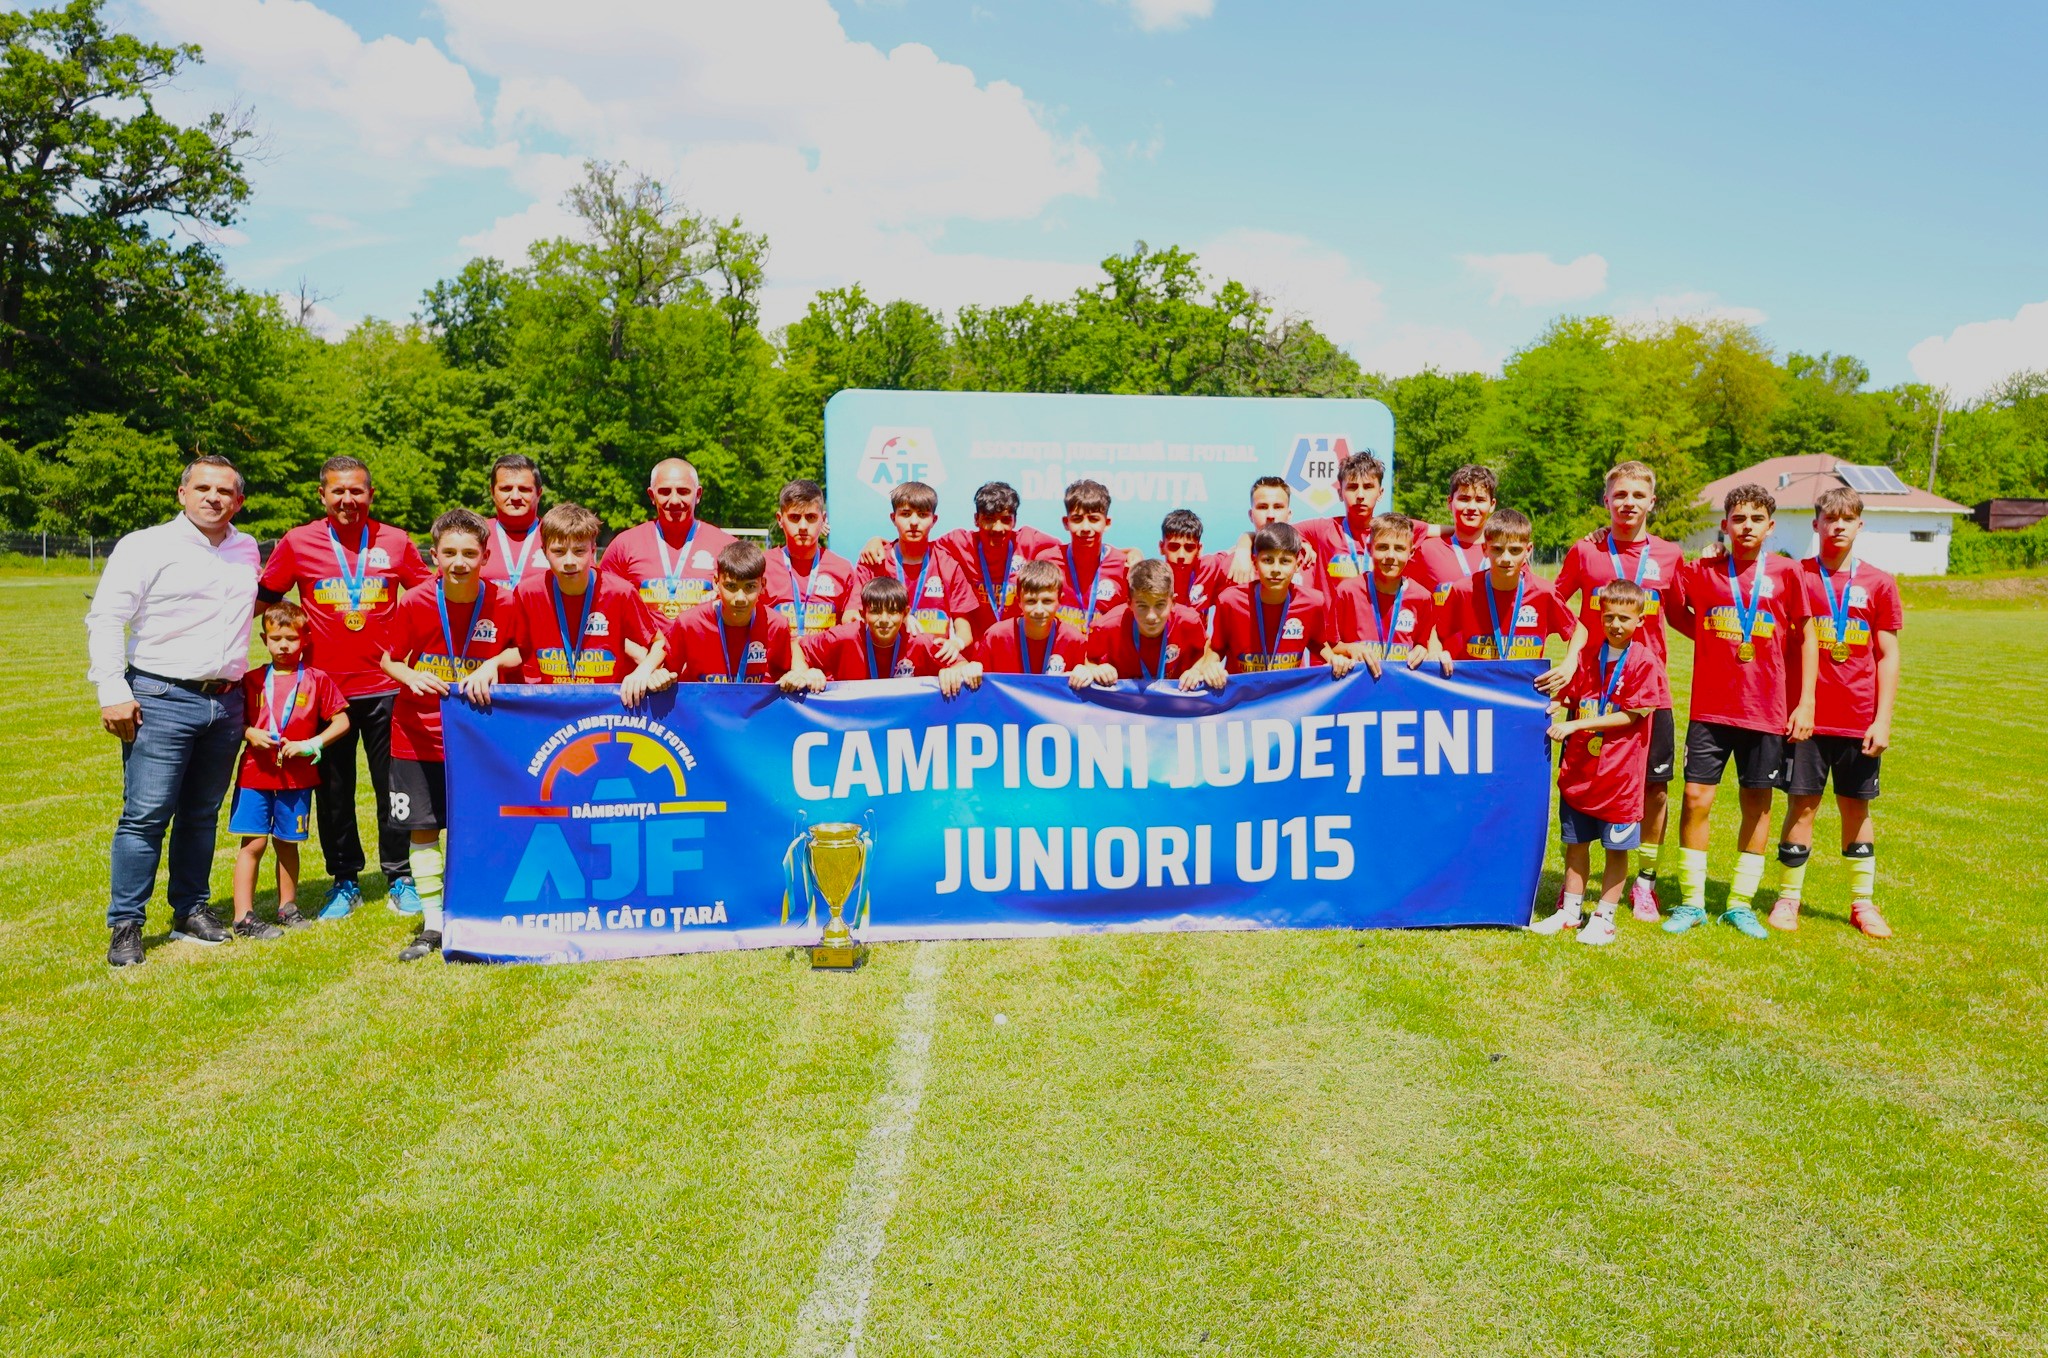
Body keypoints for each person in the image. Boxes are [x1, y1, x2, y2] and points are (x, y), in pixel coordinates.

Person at [86, 455, 262, 967]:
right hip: (160, 697)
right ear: (182, 494)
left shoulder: (247, 548)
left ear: (238, 501)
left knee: (201, 814)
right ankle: (127, 924)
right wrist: (112, 690)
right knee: (145, 815)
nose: (213, 497)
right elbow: (106, 617)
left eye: (224, 491)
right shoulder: (146, 545)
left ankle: (190, 909)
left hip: (225, 702)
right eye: (202, 487)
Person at [256, 455, 434, 919]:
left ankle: (400, 876)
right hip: (324, 691)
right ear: (322, 495)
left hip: (387, 686)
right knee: (333, 791)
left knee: (393, 787)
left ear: (371, 495)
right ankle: (345, 880)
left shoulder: (396, 541)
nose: (348, 499)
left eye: (357, 491)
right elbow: (264, 598)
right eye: (338, 491)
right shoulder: (298, 542)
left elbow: (427, 596)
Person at [1667, 484, 1816, 939]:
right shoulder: (1703, 569)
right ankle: (1692, 902)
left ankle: (1739, 904)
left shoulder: (1788, 573)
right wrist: (1709, 636)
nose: (1746, 526)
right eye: (1738, 518)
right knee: (1696, 799)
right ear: (1725, 524)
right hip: (1710, 708)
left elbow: (1807, 635)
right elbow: (1674, 609)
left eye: (1755, 519)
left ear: (1770, 526)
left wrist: (1806, 701)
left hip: (1765, 710)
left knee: (1757, 804)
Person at [1549, 461, 1690, 920]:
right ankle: (1573, 887)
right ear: (1606, 500)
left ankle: (1644, 883)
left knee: (1654, 790)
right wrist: (1575, 649)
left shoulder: (1669, 554)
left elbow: (1682, 613)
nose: (1629, 502)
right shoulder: (1585, 550)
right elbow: (1554, 599)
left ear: (1652, 501)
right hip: (1594, 688)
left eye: (1638, 495)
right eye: (1621, 494)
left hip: (1648, 692)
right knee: (1585, 781)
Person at [378, 509, 514, 961]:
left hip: (478, 737)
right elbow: (389, 659)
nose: (459, 562)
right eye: (450, 552)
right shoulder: (416, 601)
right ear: (433, 555)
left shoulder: (505, 601)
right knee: (423, 829)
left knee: (483, 825)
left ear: (486, 556)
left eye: (469, 553)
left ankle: (481, 913)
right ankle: (433, 923)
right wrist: (410, 675)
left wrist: (494, 663)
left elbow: (521, 650)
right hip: (417, 734)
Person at [1767, 486, 1903, 938]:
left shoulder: (1879, 583)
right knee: (1802, 805)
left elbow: (1888, 654)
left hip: (1858, 718)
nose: (1838, 526)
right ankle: (1788, 899)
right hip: (1804, 717)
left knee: (1856, 807)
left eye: (1847, 519)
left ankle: (1862, 904)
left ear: (1860, 525)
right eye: (1830, 518)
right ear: (1816, 524)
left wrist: (1882, 719)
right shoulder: (1797, 575)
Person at [1529, 581, 1671, 946]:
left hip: (1619, 777)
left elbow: (1632, 715)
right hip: (1580, 771)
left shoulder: (1645, 662)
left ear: (1640, 620)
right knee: (1576, 844)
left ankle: (1605, 917)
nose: (1616, 625)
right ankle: (1570, 911)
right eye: (1609, 617)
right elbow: (1571, 697)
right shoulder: (1589, 655)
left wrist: (1576, 724)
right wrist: (1552, 705)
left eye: (1624, 618)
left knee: (1616, 849)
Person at [229, 603, 349, 941]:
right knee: (253, 843)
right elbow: (234, 720)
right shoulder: (251, 680)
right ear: (264, 639)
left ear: (305, 639)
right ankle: (243, 916)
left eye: (291, 638)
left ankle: (288, 906)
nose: (284, 645)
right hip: (255, 775)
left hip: (297, 779)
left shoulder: (316, 679)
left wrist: (312, 744)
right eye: (276, 638)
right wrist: (249, 732)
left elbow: (342, 720)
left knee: (287, 843)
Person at [488, 503, 666, 701]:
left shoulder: (620, 592)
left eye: (579, 551)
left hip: (605, 704)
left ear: (593, 550)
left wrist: (644, 670)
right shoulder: (528, 592)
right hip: (550, 704)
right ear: (544, 551)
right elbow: (520, 650)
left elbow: (659, 643)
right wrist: (493, 663)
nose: (569, 561)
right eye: (559, 551)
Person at [857, 480, 1060, 639]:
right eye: (989, 519)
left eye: (1006, 520)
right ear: (976, 519)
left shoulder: (1031, 541)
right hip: (975, 654)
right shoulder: (958, 542)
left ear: (1015, 521)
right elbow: (916, 542)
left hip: (1014, 647)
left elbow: (1067, 550)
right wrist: (877, 541)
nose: (998, 528)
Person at [1434, 508, 1575, 692]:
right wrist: (1436, 653)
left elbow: (1578, 630)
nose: (1506, 558)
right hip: (1474, 694)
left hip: (1525, 696)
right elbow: (1437, 632)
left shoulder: (1544, 592)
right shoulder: (1464, 590)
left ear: (1528, 551)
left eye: (1515, 550)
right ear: (1485, 549)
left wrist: (1569, 664)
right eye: (1497, 549)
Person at [661, 540, 825, 690]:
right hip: (703, 713)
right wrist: (658, 675)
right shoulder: (689, 623)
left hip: (757, 714)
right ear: (716, 583)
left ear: (763, 585)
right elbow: (667, 673)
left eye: (750, 587)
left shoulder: (776, 625)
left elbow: (790, 672)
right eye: (731, 586)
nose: (740, 598)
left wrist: (805, 674)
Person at [599, 457, 737, 625]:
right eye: (664, 492)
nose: (674, 500)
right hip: (644, 643)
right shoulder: (624, 545)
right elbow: (603, 607)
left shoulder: (727, 547)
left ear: (698, 494)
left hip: (704, 642)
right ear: (652, 495)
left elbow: (748, 603)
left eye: (683, 491)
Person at [1206, 523, 1351, 677]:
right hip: (1244, 692)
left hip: (1288, 691)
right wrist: (1209, 667)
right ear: (1255, 563)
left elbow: (1317, 642)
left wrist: (1332, 658)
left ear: (1297, 565)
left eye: (1285, 561)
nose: (1276, 569)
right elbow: (1216, 648)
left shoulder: (1312, 602)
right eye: (1268, 560)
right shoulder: (1230, 601)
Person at [848, 481, 975, 655]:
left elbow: (965, 630)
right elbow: (850, 617)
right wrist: (898, 619)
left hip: (933, 661)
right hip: (884, 661)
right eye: (906, 514)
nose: (914, 522)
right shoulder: (875, 560)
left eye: (922, 515)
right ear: (893, 518)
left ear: (934, 520)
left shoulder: (948, 565)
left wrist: (956, 643)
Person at [801, 578, 979, 696]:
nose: (884, 620)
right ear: (863, 615)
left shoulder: (919, 642)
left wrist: (956, 672)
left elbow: (962, 666)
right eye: (875, 612)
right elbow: (799, 647)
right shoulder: (846, 636)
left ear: (905, 614)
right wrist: (804, 673)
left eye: (893, 612)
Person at [1330, 513, 1444, 679]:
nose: (1390, 556)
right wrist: (1349, 649)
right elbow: (1329, 646)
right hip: (1357, 689)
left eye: (1399, 548)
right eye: (1382, 547)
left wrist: (1422, 650)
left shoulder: (1422, 597)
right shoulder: (1347, 591)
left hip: (1401, 688)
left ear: (1411, 552)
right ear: (1369, 549)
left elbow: (1424, 644)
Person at [1074, 558, 1217, 690]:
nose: (1151, 616)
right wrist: (1096, 669)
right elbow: (1089, 658)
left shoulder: (1189, 621)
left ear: (1173, 602)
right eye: (1142, 606)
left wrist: (1197, 670)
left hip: (1174, 705)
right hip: (1125, 706)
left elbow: (1205, 648)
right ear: (1129, 603)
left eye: (1160, 605)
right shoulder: (1106, 626)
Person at [960, 558, 1091, 683]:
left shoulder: (1073, 640)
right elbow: (977, 676)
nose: (1039, 610)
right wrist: (973, 669)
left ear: (1060, 601)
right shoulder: (996, 636)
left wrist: (1084, 673)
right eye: (1031, 601)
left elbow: (1085, 677)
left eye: (1047, 601)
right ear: (1019, 601)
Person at [762, 479, 855, 641]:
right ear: (780, 519)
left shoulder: (843, 569)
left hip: (825, 657)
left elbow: (852, 627)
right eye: (795, 517)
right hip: (777, 657)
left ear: (823, 518)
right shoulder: (762, 566)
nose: (803, 526)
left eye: (811, 517)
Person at [1035, 478, 1128, 633]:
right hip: (1059, 648)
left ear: (1107, 523)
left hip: (1101, 649)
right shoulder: (1047, 561)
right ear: (1066, 522)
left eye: (1094, 519)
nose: (1085, 528)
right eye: (1077, 519)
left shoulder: (1123, 566)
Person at [1406, 464, 1497, 607]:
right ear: (1450, 502)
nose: (1471, 507)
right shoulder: (1427, 550)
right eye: (1464, 499)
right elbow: (1387, 527)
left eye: (1480, 500)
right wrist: (1436, 529)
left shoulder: (1503, 552)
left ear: (1492, 504)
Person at [479, 453, 549, 591]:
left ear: (539, 493)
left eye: (524, 489)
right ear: (492, 492)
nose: (515, 496)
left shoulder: (558, 536)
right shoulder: (473, 535)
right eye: (506, 489)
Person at [1159, 509, 1230, 613]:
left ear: (1199, 550)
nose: (1181, 555)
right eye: (1174, 547)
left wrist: (1244, 548)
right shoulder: (1152, 578)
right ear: (1161, 547)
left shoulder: (1208, 567)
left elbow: (1241, 551)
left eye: (1189, 548)